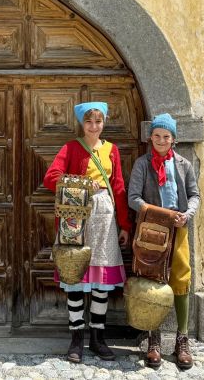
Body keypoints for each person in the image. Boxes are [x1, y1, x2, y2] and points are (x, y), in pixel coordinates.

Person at [43, 102, 131, 363]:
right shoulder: (71, 148)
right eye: (90, 122)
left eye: (99, 121)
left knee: (101, 279)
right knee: (74, 275)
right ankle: (76, 338)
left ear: (104, 123)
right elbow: (52, 177)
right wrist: (79, 183)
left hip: (104, 217)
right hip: (75, 214)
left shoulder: (111, 150)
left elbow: (118, 187)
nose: (94, 126)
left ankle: (98, 337)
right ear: (83, 123)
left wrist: (125, 224)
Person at [127, 113, 200, 370]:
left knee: (181, 278)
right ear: (151, 138)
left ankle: (182, 338)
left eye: (166, 136)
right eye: (157, 136)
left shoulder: (183, 165)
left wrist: (186, 215)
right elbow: (133, 197)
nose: (161, 140)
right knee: (152, 278)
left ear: (173, 139)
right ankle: (153, 339)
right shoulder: (142, 165)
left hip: (178, 229)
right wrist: (156, 214)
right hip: (152, 231)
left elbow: (194, 195)